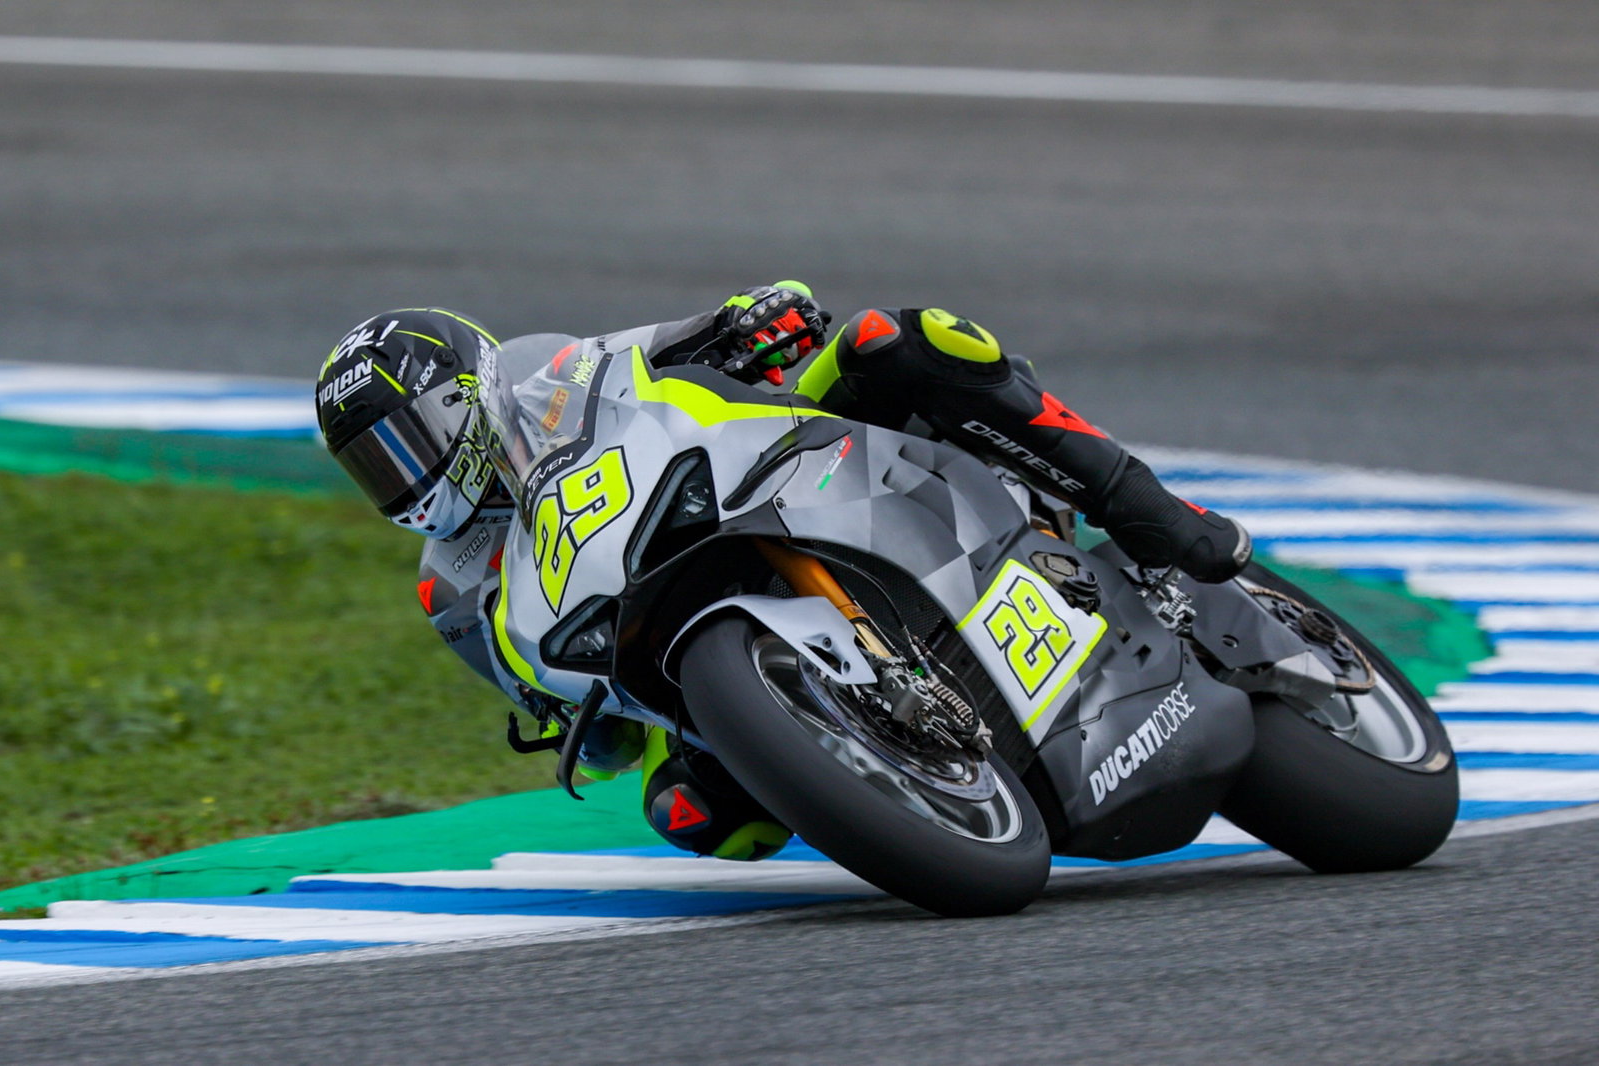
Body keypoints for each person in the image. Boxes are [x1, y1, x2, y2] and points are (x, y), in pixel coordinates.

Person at [313, 286, 1251, 860]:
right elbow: (570, 725)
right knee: (697, 819)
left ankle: (1153, 511)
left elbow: (655, 349)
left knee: (902, 339)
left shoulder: (544, 376)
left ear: (467, 397)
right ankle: (882, 761)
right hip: (654, 640)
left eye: (409, 440)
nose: (404, 475)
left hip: (749, 474)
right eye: (374, 465)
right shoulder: (450, 587)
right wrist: (579, 719)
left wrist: (748, 320)